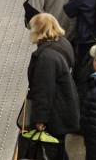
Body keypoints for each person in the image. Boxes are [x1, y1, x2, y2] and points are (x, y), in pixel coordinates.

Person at [26, 14, 80, 142]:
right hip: (66, 103)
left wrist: (40, 119)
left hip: (55, 113)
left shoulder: (45, 57)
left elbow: (44, 90)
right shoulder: (64, 43)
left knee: (52, 149)